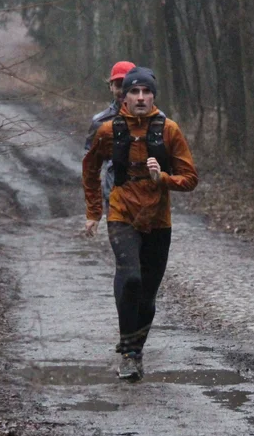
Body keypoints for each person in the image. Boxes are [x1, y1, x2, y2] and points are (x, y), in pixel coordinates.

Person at [83, 67, 198, 380]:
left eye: (146, 92)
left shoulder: (169, 130)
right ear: (124, 95)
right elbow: (90, 168)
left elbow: (190, 179)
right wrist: (95, 211)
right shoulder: (108, 130)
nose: (141, 97)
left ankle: (136, 347)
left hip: (159, 218)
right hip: (121, 212)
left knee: (147, 295)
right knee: (130, 278)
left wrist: (161, 177)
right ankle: (129, 353)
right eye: (134, 92)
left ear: (154, 96)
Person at [85, 61, 136, 204]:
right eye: (119, 86)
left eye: (128, 86)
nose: (123, 91)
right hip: (115, 197)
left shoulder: (155, 119)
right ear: (111, 87)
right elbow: (90, 164)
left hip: (149, 199)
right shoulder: (100, 122)